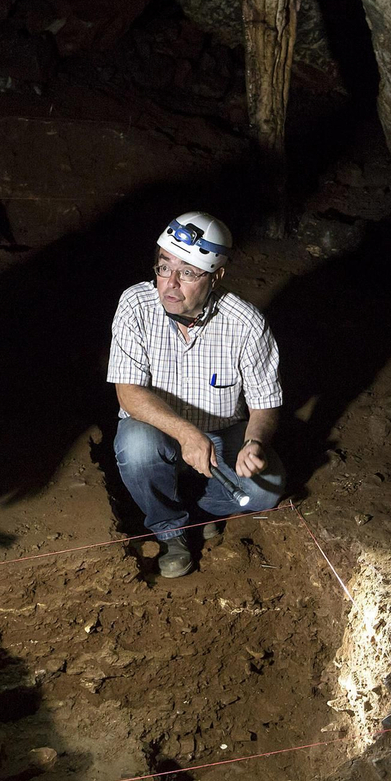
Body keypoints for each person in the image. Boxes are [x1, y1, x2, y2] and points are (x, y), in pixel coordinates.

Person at [106, 211, 285, 577]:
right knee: (136, 445)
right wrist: (187, 434)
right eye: (163, 268)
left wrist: (254, 442)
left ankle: (198, 514)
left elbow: (264, 403)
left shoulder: (246, 324)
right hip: (158, 435)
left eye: (187, 273)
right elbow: (128, 393)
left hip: (221, 435)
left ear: (216, 276)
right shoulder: (136, 306)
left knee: (267, 490)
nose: (169, 285)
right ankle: (170, 529)